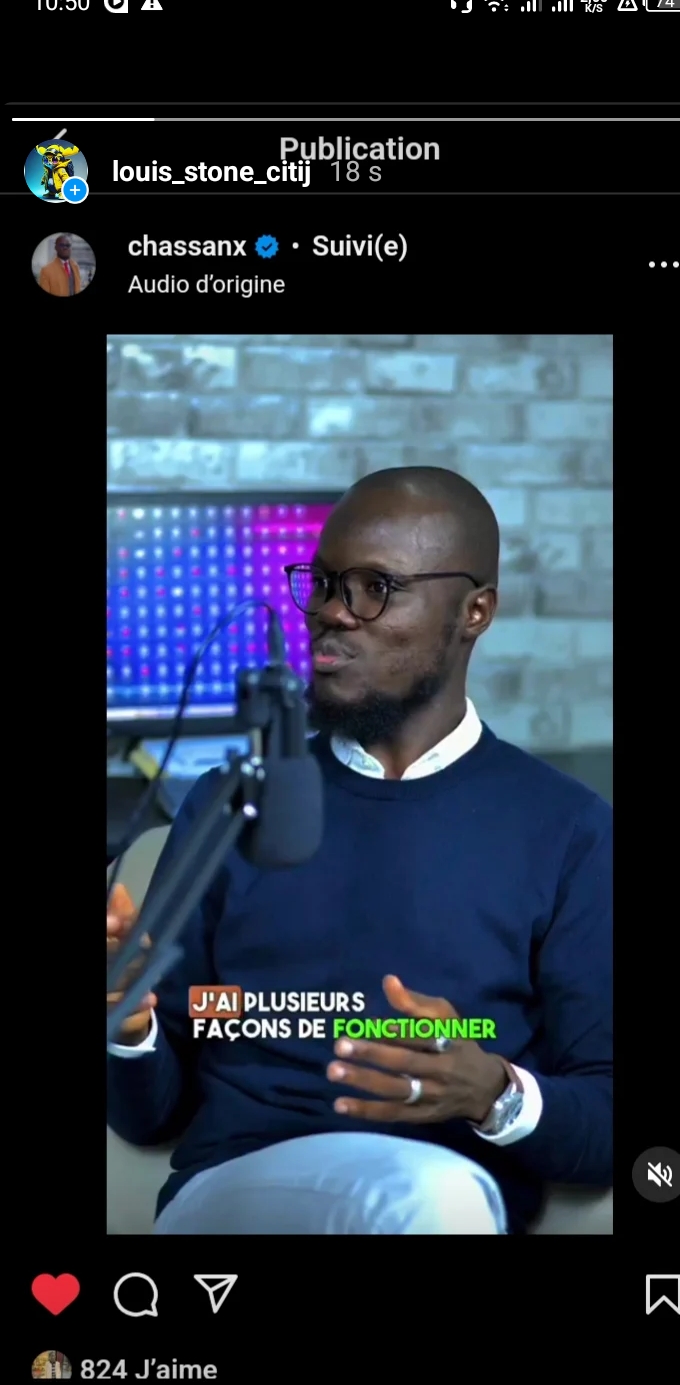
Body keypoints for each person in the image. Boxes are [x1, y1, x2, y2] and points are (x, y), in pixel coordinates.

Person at [107, 466, 613, 1236]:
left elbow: (605, 1116)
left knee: (430, 1197)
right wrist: (128, 1026)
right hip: (237, 1184)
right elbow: (153, 1111)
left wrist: (493, 1091)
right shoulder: (228, 804)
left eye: (376, 587)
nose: (331, 613)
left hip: (453, 1194)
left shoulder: (569, 829)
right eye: (323, 582)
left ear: (474, 611)